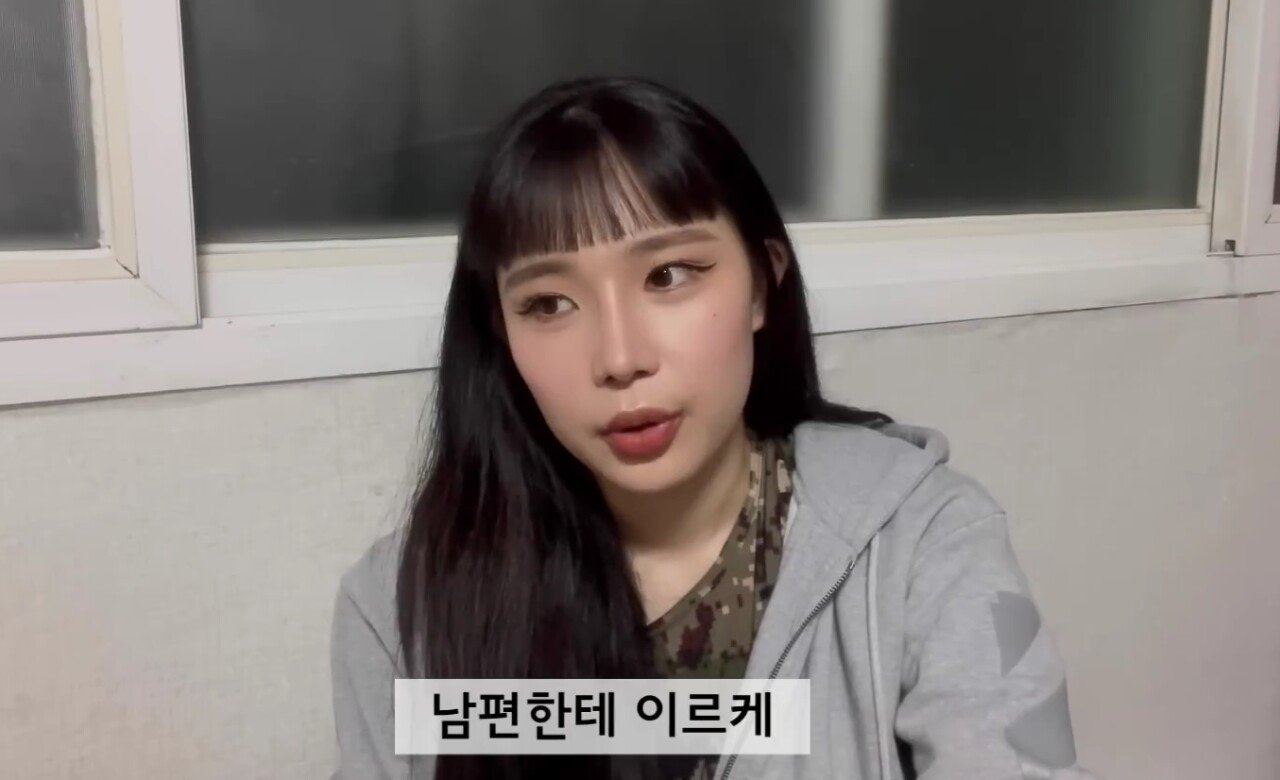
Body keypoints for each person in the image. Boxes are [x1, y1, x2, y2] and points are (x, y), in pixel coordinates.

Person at [329, 76, 1097, 780]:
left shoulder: (920, 541)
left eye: (668, 275)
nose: (620, 359)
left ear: (762, 283)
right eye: (549, 304)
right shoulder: (403, 610)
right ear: (501, 333)